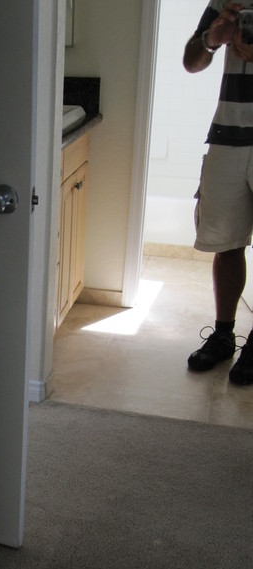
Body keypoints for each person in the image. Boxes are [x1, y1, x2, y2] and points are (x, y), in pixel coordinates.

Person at [183, 1, 253, 384]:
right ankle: (223, 334)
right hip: (228, 135)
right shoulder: (227, 0)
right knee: (226, 243)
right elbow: (191, 62)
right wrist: (212, 40)